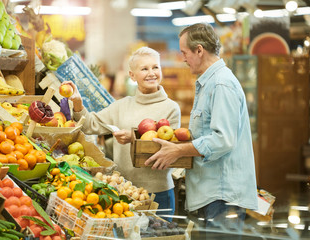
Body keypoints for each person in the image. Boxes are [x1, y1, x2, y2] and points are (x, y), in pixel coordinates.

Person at [144, 23, 258, 238]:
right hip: (212, 194)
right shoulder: (209, 82)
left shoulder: (221, 85)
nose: (183, 59)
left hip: (222, 197)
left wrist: (178, 151)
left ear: (199, 50)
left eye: (184, 53)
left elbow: (223, 139)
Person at [62, 47, 181, 220]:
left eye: (156, 67)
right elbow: (89, 125)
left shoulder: (171, 108)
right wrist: (78, 103)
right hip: (124, 193)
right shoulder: (122, 105)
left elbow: (169, 149)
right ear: (132, 76)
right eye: (144, 69)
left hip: (159, 192)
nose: (151, 73)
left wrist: (133, 138)